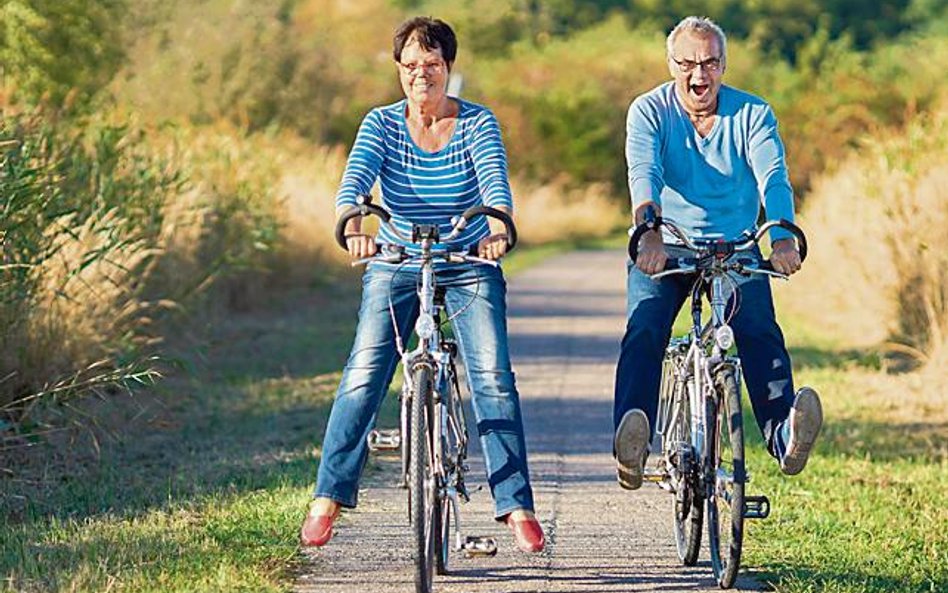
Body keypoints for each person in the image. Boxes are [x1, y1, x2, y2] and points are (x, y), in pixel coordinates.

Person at [300, 16, 544, 553]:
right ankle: (329, 496)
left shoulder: (479, 124)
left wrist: (498, 228)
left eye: (431, 65)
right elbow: (356, 182)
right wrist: (355, 225)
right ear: (398, 71)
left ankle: (516, 503)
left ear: (448, 68)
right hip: (397, 260)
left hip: (466, 258)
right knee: (364, 372)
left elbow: (494, 185)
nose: (420, 76)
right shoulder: (380, 125)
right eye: (410, 66)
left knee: (493, 376)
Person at [614, 16, 823, 489]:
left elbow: (773, 177)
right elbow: (642, 172)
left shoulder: (752, 114)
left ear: (724, 66)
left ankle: (784, 436)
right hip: (667, 246)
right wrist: (647, 233)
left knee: (758, 331)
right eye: (687, 63)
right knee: (645, 328)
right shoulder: (649, 112)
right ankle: (631, 444)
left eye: (709, 63)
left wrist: (783, 237)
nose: (698, 75)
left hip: (736, 247)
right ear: (671, 65)